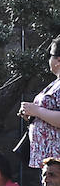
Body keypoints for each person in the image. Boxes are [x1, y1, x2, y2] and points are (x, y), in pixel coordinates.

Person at [18, 37, 60, 171]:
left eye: (50, 56)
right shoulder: (55, 83)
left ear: (58, 60)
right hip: (46, 157)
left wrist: (37, 111)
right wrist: (32, 114)